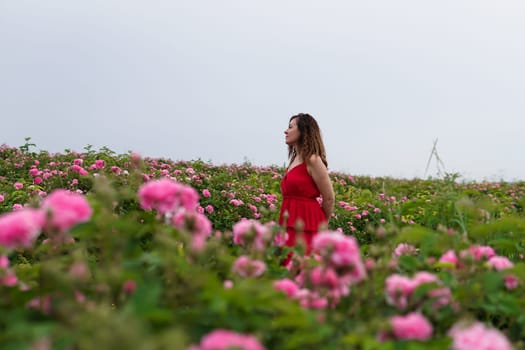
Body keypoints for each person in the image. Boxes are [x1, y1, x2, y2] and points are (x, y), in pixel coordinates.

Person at [279, 113, 335, 257]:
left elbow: (329, 198)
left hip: (309, 225)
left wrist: (321, 225)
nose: (286, 131)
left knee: (304, 268)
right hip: (289, 223)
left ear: (303, 131)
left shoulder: (313, 160)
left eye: (290, 127)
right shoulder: (294, 160)